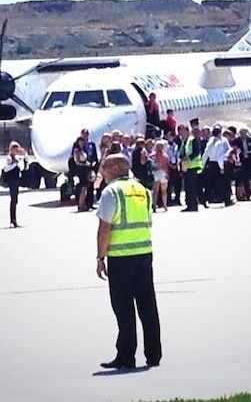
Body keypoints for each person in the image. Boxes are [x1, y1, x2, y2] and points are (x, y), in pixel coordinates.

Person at [95, 154, 161, 370]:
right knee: (147, 305)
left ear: (115, 168)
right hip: (144, 253)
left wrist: (100, 257)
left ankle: (126, 355)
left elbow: (104, 229)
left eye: (104, 167)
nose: (102, 172)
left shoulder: (111, 192)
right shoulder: (142, 190)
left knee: (123, 308)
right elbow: (148, 220)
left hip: (121, 257)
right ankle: (153, 354)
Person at [1, 141, 27, 228]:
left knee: (15, 200)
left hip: (16, 181)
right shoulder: (9, 158)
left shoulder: (16, 158)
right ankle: (12, 220)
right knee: (13, 200)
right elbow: (6, 168)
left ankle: (14, 220)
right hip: (11, 181)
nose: (16, 151)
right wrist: (15, 163)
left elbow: (24, 168)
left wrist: (25, 157)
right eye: (15, 150)